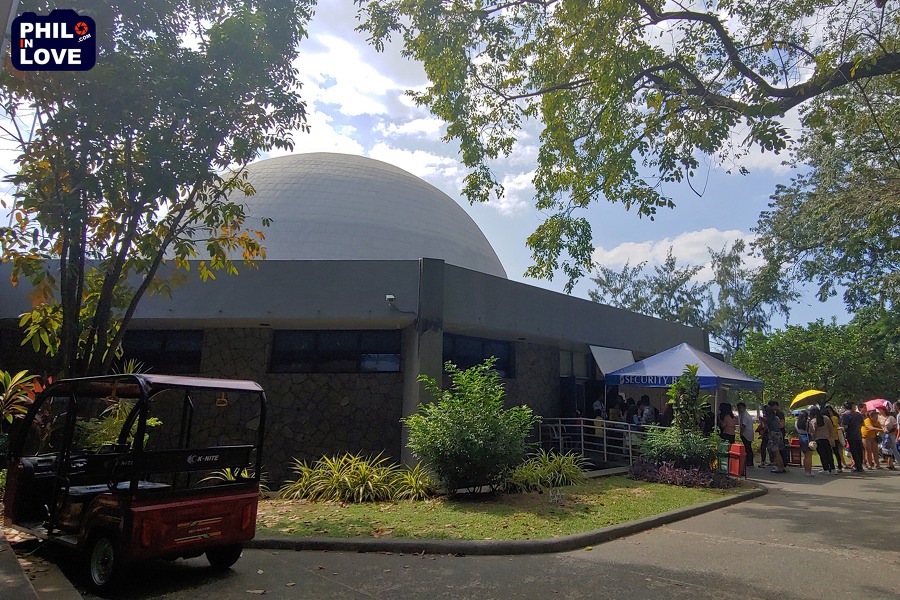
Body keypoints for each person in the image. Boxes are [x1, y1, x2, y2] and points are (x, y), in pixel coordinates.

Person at [808, 406, 835, 474]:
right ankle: (833, 468)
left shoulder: (813, 421)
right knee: (829, 454)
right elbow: (831, 428)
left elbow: (813, 432)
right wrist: (831, 436)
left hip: (818, 439)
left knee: (822, 455)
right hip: (827, 439)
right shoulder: (826, 418)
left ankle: (826, 469)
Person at [841, 402, 865, 472]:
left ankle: (857, 466)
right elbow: (862, 423)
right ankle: (860, 465)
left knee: (854, 451)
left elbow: (845, 426)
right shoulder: (858, 414)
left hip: (850, 434)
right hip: (858, 434)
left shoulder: (846, 415)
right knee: (859, 450)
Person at [763, 404, 786, 473]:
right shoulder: (776, 418)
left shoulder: (767, 419)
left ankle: (779, 467)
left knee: (776, 452)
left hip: (773, 435)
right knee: (779, 452)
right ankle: (782, 466)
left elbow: (765, 428)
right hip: (779, 434)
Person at [876, 405, 899, 470]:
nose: (878, 411)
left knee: (894, 450)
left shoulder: (890, 417)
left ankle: (895, 462)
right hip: (882, 435)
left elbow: (895, 427)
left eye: (880, 409)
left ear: (883, 410)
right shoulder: (878, 417)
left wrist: (891, 431)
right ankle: (889, 464)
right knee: (884, 450)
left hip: (890, 435)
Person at [824, 406, 845, 473]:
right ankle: (831, 466)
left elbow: (834, 426)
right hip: (828, 438)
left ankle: (839, 466)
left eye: (830, 411)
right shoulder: (826, 419)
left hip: (834, 437)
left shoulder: (834, 418)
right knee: (829, 453)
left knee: (836, 452)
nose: (829, 412)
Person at [795, 409, 815, 476]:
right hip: (807, 437)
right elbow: (812, 430)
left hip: (801, 437)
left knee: (805, 455)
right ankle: (809, 471)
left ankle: (806, 470)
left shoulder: (796, 422)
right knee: (809, 456)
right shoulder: (808, 422)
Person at [737, 402, 754, 467]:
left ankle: (750, 462)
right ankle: (749, 461)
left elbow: (744, 425)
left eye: (740, 408)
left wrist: (741, 433)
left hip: (747, 433)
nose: (739, 409)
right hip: (746, 433)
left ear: (744, 408)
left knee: (748, 448)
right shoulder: (743, 415)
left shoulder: (745, 416)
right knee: (747, 448)